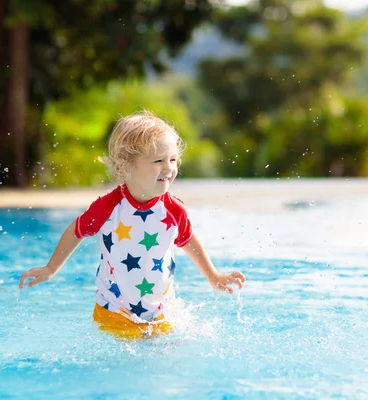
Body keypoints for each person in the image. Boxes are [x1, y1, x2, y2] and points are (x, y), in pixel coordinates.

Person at [18, 111, 245, 339]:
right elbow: (76, 231)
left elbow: (188, 240)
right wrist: (51, 268)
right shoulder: (108, 207)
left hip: (160, 312)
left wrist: (213, 276)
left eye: (173, 159)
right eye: (158, 160)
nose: (169, 167)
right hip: (114, 310)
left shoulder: (174, 210)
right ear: (127, 165)